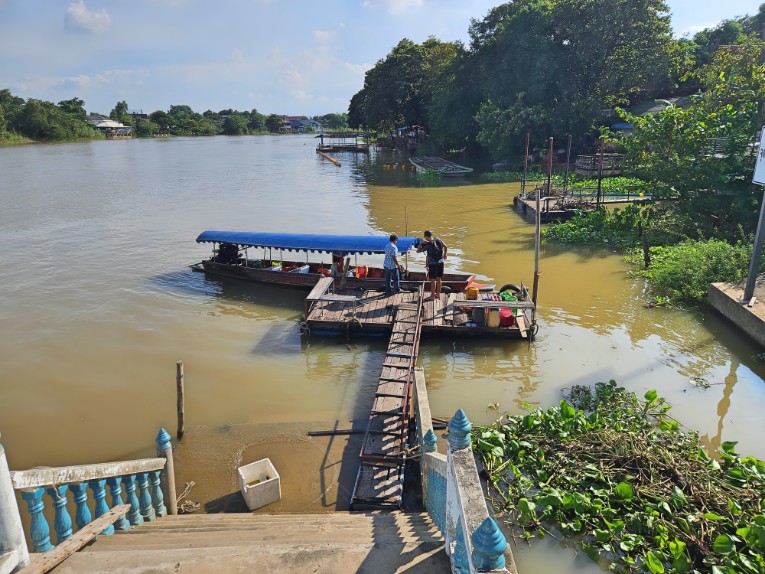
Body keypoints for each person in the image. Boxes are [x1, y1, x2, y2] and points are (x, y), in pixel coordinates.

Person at [416, 230, 448, 300]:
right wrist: (445, 254)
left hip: (433, 263)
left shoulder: (428, 245)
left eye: (425, 237)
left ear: (426, 237)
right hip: (441, 262)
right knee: (439, 278)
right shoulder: (438, 239)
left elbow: (418, 251)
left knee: (433, 279)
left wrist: (421, 243)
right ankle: (438, 294)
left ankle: (432, 295)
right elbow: (446, 247)